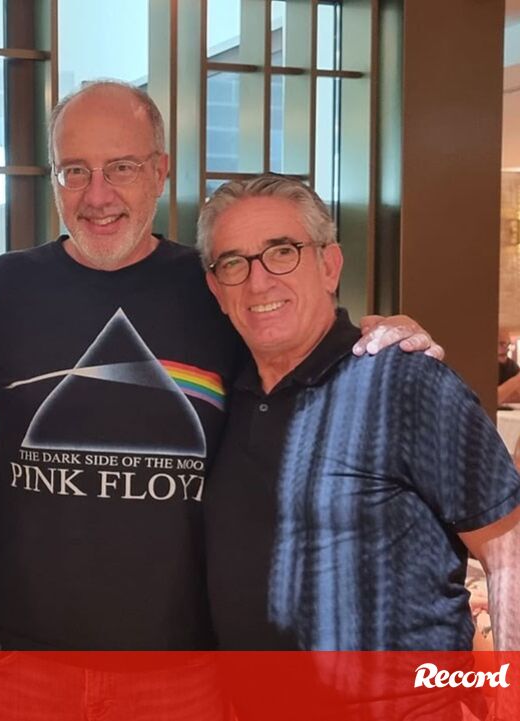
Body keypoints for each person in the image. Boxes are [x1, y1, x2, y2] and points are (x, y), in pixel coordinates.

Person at [0, 80, 440, 720]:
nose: (98, 195)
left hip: (183, 666)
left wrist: (385, 335)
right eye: (75, 170)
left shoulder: (217, 287)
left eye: (122, 167)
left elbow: (308, 359)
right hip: (21, 662)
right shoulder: (5, 288)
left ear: (160, 171)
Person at [200, 174, 519, 719]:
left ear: (329, 265)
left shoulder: (406, 381)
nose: (258, 281)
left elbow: (507, 550)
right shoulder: (223, 396)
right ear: (216, 288)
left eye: (282, 252)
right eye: (233, 262)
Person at [499, 328, 520, 405]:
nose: (507, 349)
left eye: (508, 344)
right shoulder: (482, 367)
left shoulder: (511, 365)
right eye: (502, 344)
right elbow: (489, 397)